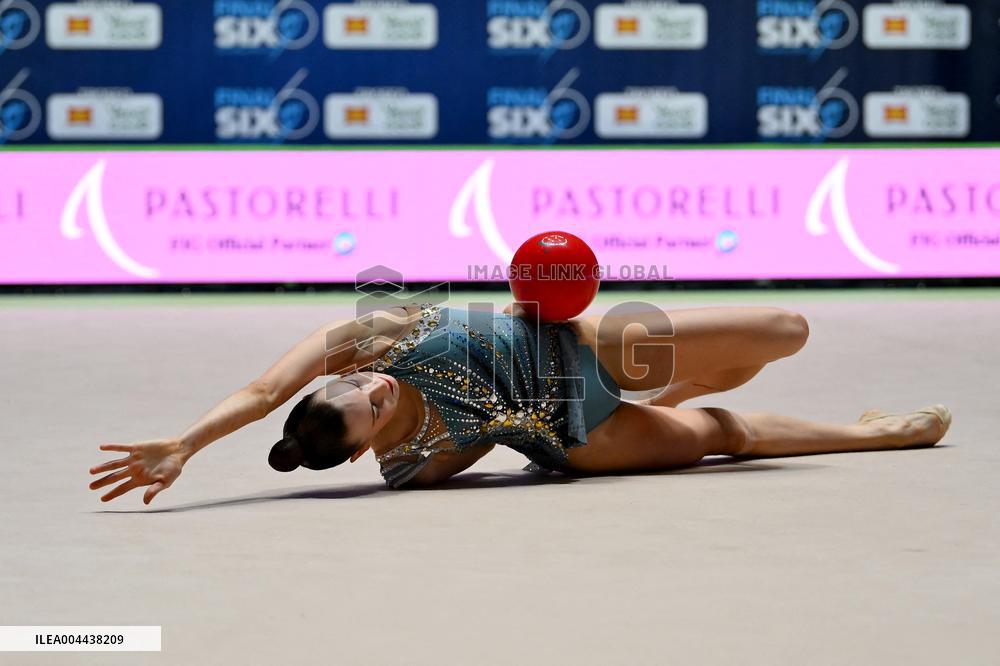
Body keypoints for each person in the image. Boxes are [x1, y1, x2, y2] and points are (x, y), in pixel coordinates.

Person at [88, 299, 951, 504]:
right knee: (724, 434)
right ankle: (888, 435)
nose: (373, 390)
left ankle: (679, 379)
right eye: (370, 412)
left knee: (783, 330)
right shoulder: (409, 466)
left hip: (579, 344)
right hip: (576, 432)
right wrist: (456, 438)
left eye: (351, 386)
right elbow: (483, 443)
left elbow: (260, 389)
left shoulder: (362, 338)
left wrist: (187, 445)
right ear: (364, 447)